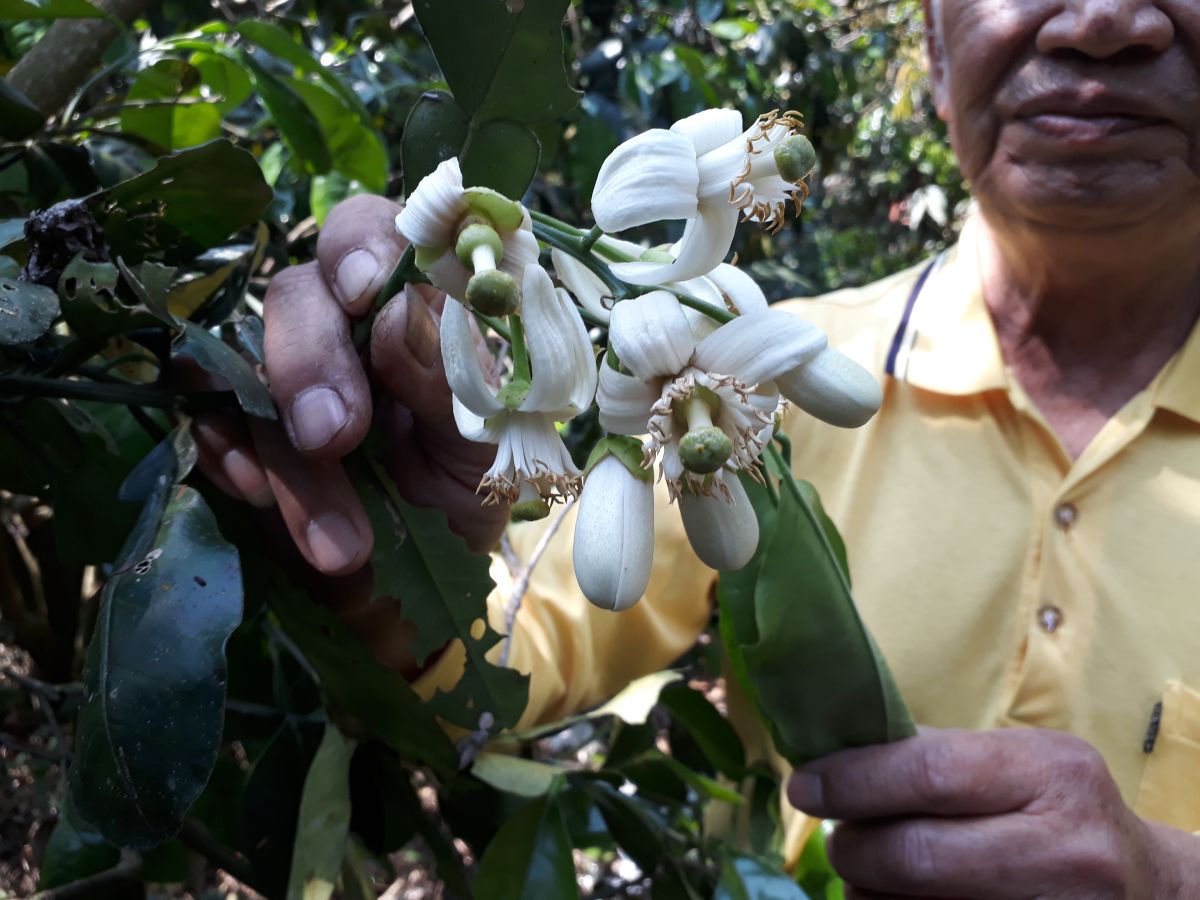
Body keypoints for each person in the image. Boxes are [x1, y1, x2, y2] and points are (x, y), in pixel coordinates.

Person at [194, 0, 1200, 893]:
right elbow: (517, 660)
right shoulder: (763, 365)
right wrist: (391, 562)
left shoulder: (749, 360)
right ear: (933, 49)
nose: (1104, 17)